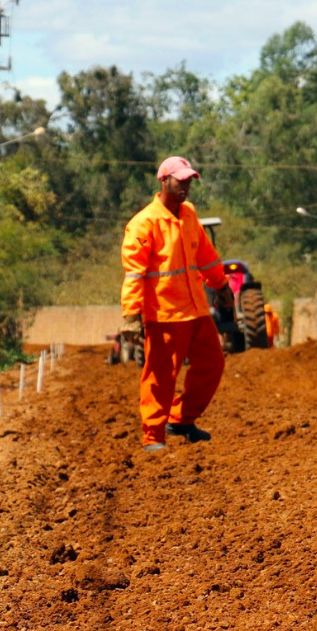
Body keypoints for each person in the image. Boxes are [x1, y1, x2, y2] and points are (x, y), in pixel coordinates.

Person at [119, 156, 234, 452]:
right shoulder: (143, 224)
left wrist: (221, 286)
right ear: (164, 181)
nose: (185, 187)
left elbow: (206, 256)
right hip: (164, 314)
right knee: (160, 376)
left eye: (189, 181)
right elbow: (134, 274)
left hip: (196, 309)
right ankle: (153, 436)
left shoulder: (190, 215)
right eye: (180, 181)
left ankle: (181, 420)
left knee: (213, 363)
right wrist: (132, 314)